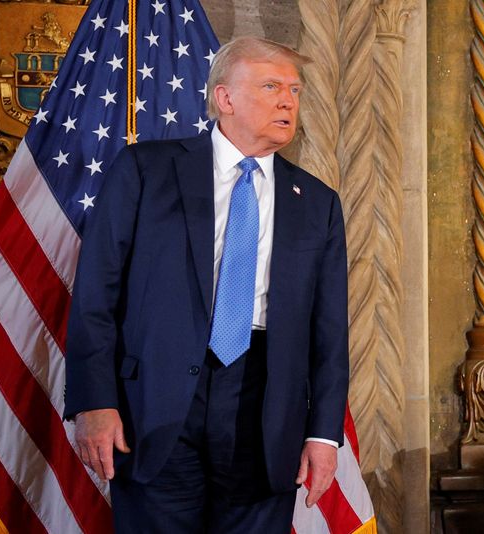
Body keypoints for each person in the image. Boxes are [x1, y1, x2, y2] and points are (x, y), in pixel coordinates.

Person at [64, 36, 349, 533]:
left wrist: (324, 435)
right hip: (155, 406)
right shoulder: (145, 170)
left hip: (266, 412)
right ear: (225, 97)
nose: (288, 100)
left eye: (295, 90)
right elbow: (95, 297)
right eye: (270, 86)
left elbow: (330, 333)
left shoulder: (317, 202)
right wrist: (94, 399)